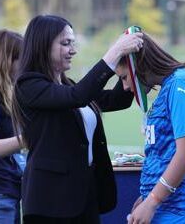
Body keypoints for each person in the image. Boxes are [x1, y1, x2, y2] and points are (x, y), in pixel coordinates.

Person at [11, 15, 143, 223]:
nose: (73, 50)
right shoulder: (29, 85)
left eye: (73, 43)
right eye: (65, 43)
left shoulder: (69, 85)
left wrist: (126, 66)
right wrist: (115, 51)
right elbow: (79, 96)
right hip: (50, 202)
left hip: (84, 197)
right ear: (42, 46)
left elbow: (117, 100)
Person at [115, 31, 185, 224]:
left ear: (138, 65)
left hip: (181, 208)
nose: (125, 86)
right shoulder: (169, 87)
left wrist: (153, 200)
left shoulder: (180, 84)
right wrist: (147, 196)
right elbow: (165, 153)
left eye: (124, 77)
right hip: (167, 205)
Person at [0, 29, 24, 224]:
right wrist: (28, 138)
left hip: (5, 192)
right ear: (7, 60)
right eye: (21, 60)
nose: (24, 67)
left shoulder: (0, 93)